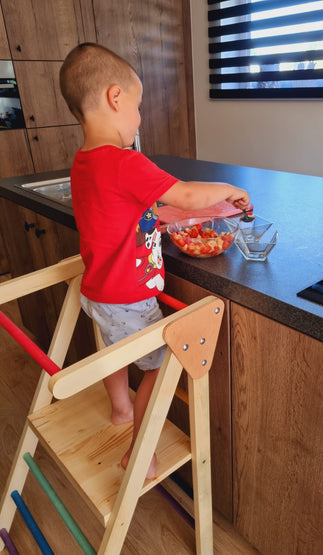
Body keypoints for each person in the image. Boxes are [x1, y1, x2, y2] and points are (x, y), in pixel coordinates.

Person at [59, 42, 250, 478]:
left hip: (99, 292)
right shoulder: (125, 161)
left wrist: (149, 219)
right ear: (115, 97)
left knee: (112, 349)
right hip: (130, 296)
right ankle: (139, 452)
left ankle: (120, 409)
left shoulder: (83, 162)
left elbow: (114, 214)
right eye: (139, 105)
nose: (140, 117)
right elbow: (183, 194)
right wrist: (226, 188)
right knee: (155, 365)